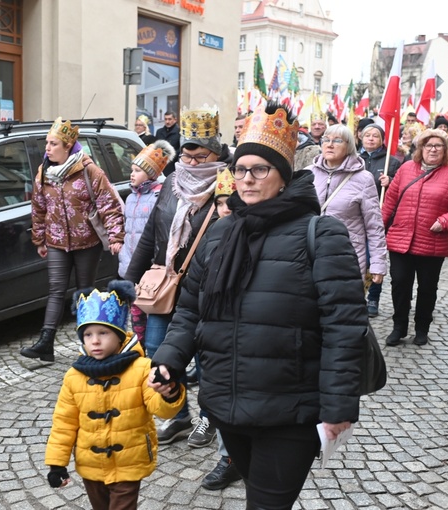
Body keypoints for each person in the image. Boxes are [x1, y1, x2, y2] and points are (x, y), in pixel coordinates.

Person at [149, 101, 368, 509]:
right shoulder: (221, 233)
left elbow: (344, 327)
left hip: (290, 411)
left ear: (283, 176)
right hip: (225, 404)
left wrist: (339, 405)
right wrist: (170, 360)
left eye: (260, 170)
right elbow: (191, 310)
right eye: (240, 170)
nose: (246, 180)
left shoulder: (323, 235)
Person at [124, 104, 226, 444]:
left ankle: (208, 420)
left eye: (200, 157)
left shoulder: (227, 184)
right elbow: (153, 232)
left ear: (215, 152)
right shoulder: (171, 183)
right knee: (159, 351)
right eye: (187, 156)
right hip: (165, 285)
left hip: (208, 289)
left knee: (206, 358)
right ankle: (179, 414)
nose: (192, 163)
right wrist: (130, 277)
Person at [44, 281, 185, 509]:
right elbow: (64, 423)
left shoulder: (141, 368)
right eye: (88, 335)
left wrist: (169, 393)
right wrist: (56, 464)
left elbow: (161, 408)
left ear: (120, 335)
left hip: (129, 460)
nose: (95, 341)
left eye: (103, 332)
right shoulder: (74, 376)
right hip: (91, 464)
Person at [20, 117, 125, 362]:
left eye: (53, 143)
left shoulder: (89, 171)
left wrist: (115, 236)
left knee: (84, 292)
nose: (47, 148)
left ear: (68, 146)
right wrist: (39, 240)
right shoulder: (44, 172)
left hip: (87, 243)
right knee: (56, 291)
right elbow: (38, 208)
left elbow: (109, 205)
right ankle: (46, 343)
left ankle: (89, 345)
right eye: (47, 143)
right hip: (56, 242)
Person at [381, 128, 448, 347]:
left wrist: (446, 221)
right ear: (420, 148)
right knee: (400, 284)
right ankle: (399, 327)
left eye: (438, 146)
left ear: (445, 150)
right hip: (401, 238)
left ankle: (422, 328)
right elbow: (390, 201)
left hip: (432, 241)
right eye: (428, 145)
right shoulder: (406, 169)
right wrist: (379, 227)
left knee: (427, 288)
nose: (433, 149)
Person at [192, 165, 243, 491]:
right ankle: (228, 457)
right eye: (222, 202)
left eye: (232, 202)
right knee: (221, 391)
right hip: (219, 332)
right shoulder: (213, 233)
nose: (227, 209)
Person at [310, 123, 387, 290]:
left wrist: (377, 263)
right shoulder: (308, 173)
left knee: (342, 304)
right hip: (311, 251)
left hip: (346, 254)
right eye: (326, 139)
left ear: (349, 146)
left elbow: (374, 225)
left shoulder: (363, 179)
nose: (329, 144)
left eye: (337, 140)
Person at [119, 140, 174, 347]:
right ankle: (140, 346)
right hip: (130, 264)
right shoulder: (131, 197)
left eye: (137, 170)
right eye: (131, 170)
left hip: (150, 269)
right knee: (136, 313)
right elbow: (127, 228)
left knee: (152, 308)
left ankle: (154, 346)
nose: (132, 174)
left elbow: (156, 232)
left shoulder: (159, 195)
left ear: (151, 173)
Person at [358, 123, 399, 316]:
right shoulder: (353, 158)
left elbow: (401, 190)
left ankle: (373, 297)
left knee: (374, 258)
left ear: (382, 139)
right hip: (356, 217)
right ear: (360, 138)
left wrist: (390, 182)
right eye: (368, 135)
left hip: (379, 217)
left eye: (375, 136)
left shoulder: (391, 161)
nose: (371, 139)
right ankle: (356, 295)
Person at [155, 111, 181, 175]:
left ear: (175, 120)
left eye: (169, 119)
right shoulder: (159, 132)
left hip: (173, 165)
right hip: (160, 165)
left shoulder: (180, 132)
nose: (167, 122)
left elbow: (181, 149)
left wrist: (170, 155)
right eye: (165, 119)